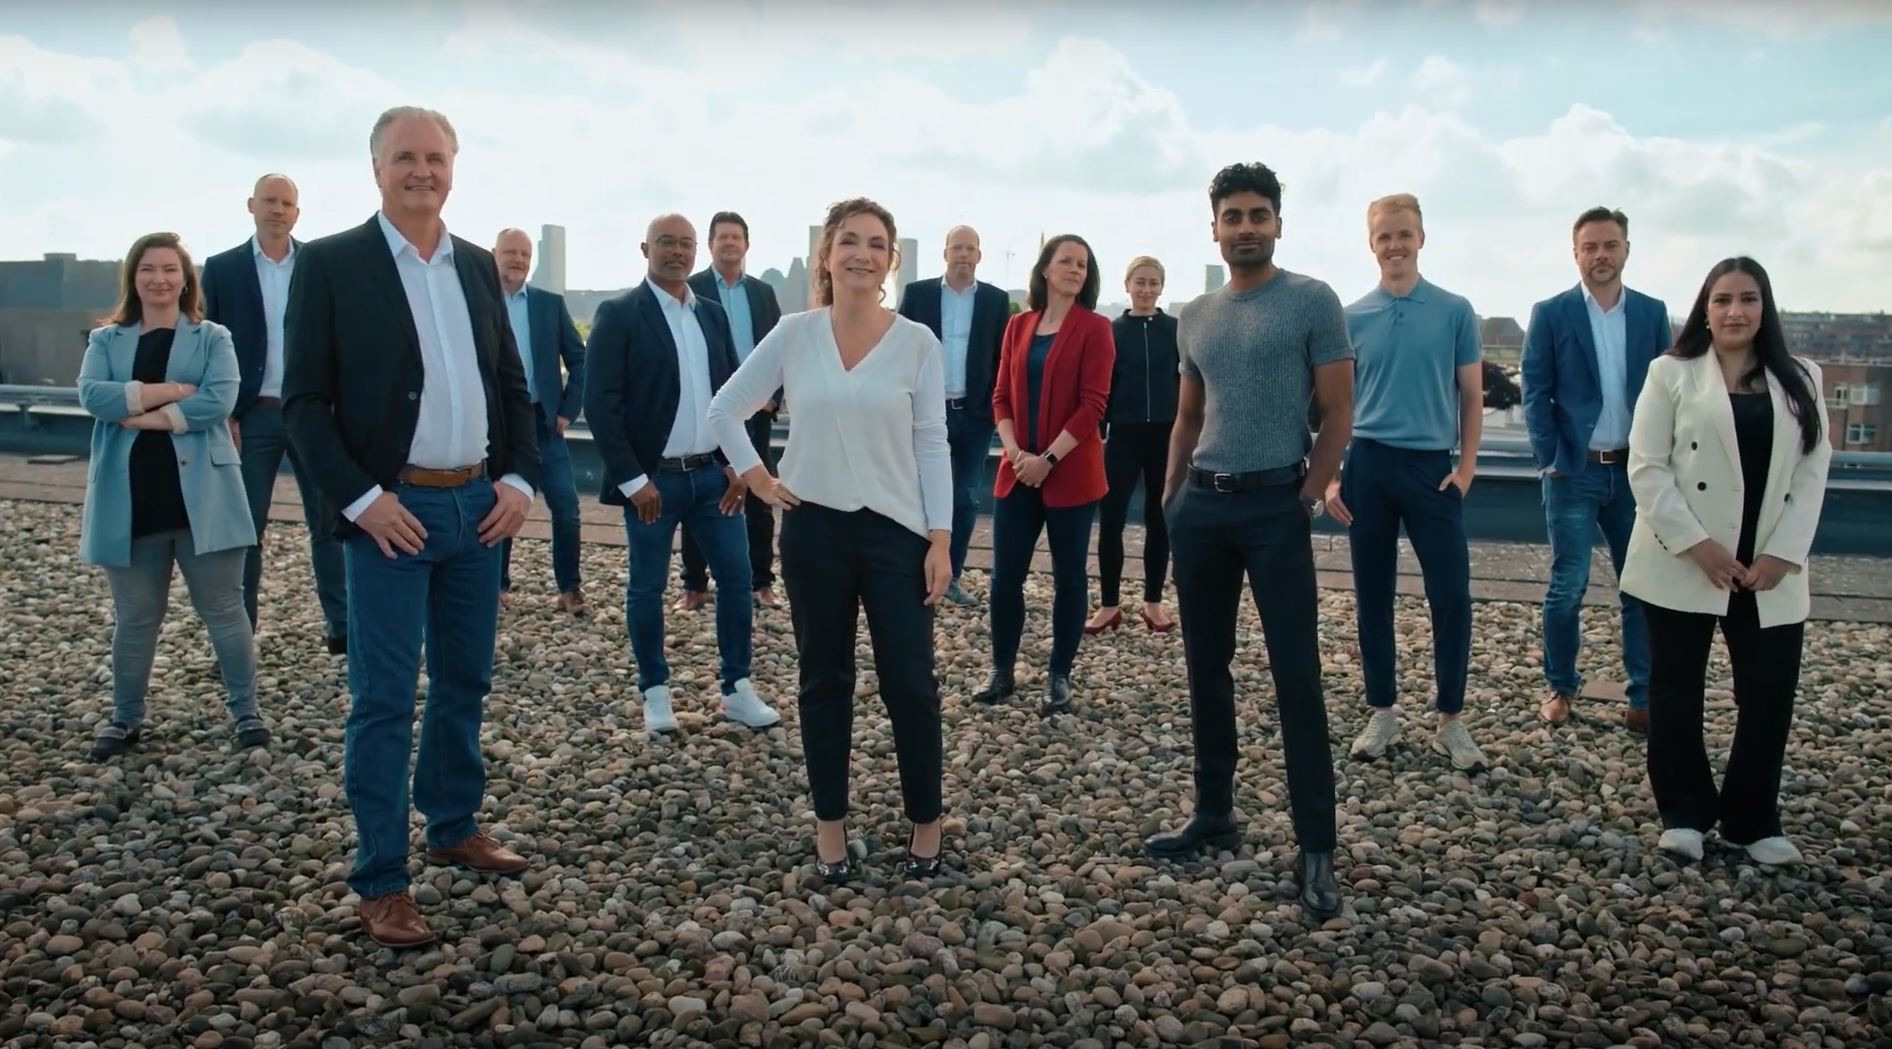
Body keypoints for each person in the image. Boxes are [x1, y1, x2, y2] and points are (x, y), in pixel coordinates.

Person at [283, 106, 539, 949]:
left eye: (435, 157)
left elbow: (511, 385)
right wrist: (361, 499)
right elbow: (305, 404)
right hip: (391, 515)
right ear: (377, 168)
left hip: (477, 506)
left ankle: (454, 821)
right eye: (405, 158)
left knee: (465, 680)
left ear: (454, 168)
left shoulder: (474, 266)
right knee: (384, 699)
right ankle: (382, 879)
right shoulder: (330, 265)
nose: (421, 171)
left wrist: (518, 476)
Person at [706, 197, 952, 883]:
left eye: (876, 243)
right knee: (824, 680)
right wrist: (755, 476)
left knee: (910, 683)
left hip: (899, 535)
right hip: (814, 529)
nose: (862, 254)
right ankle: (830, 829)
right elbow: (724, 408)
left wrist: (940, 537)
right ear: (827, 254)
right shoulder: (794, 333)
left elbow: (932, 442)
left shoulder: (917, 343)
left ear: (890, 260)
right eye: (849, 241)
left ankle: (926, 820)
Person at [1144, 162, 1353, 922]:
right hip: (1203, 506)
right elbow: (1188, 415)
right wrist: (1169, 500)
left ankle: (1317, 846)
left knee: (1297, 676)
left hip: (1276, 506)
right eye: (1232, 216)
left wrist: (1304, 499)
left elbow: (1337, 414)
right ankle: (1213, 808)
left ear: (1277, 223)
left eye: (1258, 215)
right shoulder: (1194, 314)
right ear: (1214, 228)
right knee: (1208, 665)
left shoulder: (1311, 301)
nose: (1246, 228)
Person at [1620, 257, 1829, 866]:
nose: (1736, 311)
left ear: (1766, 309)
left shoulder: (1804, 379)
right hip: (1686, 558)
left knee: (1768, 693)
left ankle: (1752, 820)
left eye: (1749, 299)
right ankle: (1684, 813)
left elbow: (1813, 472)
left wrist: (1782, 555)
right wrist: (1697, 546)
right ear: (1705, 312)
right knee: (1675, 690)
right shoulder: (1671, 373)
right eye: (1722, 300)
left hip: (1769, 567)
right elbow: (1647, 467)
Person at [584, 214, 779, 736]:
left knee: (737, 580)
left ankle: (737, 687)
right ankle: (655, 691)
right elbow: (600, 403)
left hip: (713, 480)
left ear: (697, 252)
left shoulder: (711, 316)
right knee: (647, 589)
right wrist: (632, 480)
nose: (677, 252)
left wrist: (739, 466)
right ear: (645, 247)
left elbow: (733, 393)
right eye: (666, 242)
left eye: (686, 244)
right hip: (653, 484)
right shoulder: (620, 314)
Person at [77, 232, 267, 760]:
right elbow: (93, 395)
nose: (158, 278)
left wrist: (139, 415)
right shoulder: (105, 342)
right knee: (136, 619)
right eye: (147, 269)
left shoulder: (213, 338)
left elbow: (220, 400)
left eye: (169, 269)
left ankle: (247, 712)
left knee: (226, 610)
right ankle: (124, 719)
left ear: (185, 279)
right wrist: (171, 392)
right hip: (131, 501)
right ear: (132, 279)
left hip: (203, 500)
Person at [1326, 194, 1487, 771]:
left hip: (1430, 468)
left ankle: (1450, 717)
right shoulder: (1350, 317)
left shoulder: (1453, 310)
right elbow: (1333, 405)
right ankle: (1383, 710)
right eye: (1384, 236)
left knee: (1451, 594)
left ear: (1422, 238)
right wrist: (1329, 479)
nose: (1395, 244)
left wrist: (1465, 469)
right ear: (1372, 244)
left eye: (1405, 234)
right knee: (1373, 594)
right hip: (1367, 464)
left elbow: (1472, 396)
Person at [1521, 206, 1670, 732]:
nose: (1600, 256)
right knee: (1568, 586)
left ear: (1626, 249)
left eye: (1610, 245)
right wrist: (1551, 459)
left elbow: (1668, 393)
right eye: (1590, 247)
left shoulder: (1652, 315)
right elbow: (1534, 393)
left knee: (1642, 587)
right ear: (1576, 252)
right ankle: (1561, 688)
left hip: (1635, 473)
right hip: (1575, 471)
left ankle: (1642, 696)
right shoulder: (1553, 313)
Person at [201, 174, 349, 653]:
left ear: (298, 212)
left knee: (329, 525)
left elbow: (342, 341)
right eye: (270, 201)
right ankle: (238, 635)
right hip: (252, 415)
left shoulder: (321, 264)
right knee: (245, 531)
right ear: (251, 205)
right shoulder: (223, 269)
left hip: (314, 414)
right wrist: (224, 411)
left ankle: (342, 628)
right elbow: (208, 345)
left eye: (287, 203)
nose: (278, 210)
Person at [973, 235, 1113, 716]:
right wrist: (1015, 453)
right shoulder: (1018, 326)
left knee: (1069, 578)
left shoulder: (1096, 329)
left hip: (1070, 474)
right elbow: (1000, 397)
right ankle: (1002, 671)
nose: (1075, 269)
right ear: (1046, 270)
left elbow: (1093, 406)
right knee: (1004, 578)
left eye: (1083, 264)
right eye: (1066, 261)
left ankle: (1059, 676)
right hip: (1017, 471)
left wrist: (1046, 460)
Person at [898, 226, 1012, 607]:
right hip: (927, 412)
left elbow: (1003, 356)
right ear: (945, 253)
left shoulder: (996, 301)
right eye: (957, 248)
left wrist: (996, 406)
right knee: (919, 493)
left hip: (974, 414)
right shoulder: (919, 295)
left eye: (971, 249)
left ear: (979, 256)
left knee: (964, 497)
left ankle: (952, 574)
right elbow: (899, 346)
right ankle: (915, 569)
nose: (964, 254)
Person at [680, 211, 786, 610]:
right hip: (706, 413)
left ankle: (762, 581)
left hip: (755, 411)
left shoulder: (762, 293)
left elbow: (780, 351)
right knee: (702, 492)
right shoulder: (689, 289)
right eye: (722, 237)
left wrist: (772, 397)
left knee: (760, 495)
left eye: (736, 237)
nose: (729, 243)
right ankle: (694, 583)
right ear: (710, 244)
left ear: (746, 244)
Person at [493, 227, 588, 616]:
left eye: (524, 254)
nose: (517, 260)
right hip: (496, 427)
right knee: (497, 506)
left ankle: (569, 588)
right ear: (494, 254)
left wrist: (568, 408)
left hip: (544, 424)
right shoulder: (478, 300)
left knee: (566, 507)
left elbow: (580, 358)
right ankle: (495, 587)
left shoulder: (549, 305)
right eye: (510, 252)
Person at [1087, 255, 1179, 636]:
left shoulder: (1177, 329)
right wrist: (1098, 428)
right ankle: (1109, 604)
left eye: (1153, 283)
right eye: (1139, 282)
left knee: (1159, 519)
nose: (1146, 289)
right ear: (1127, 286)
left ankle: (1153, 602)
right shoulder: (1112, 330)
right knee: (1112, 518)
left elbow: (1188, 380)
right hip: (1123, 434)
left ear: (1161, 287)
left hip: (1165, 433)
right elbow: (1100, 383)